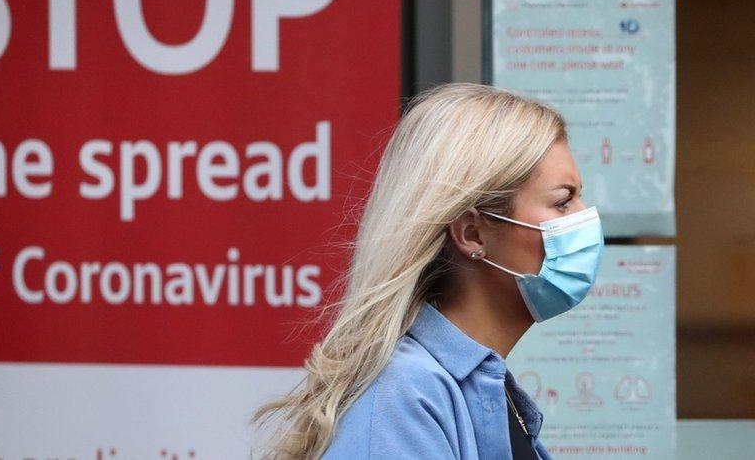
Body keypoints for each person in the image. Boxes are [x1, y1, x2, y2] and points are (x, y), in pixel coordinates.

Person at [251, 83, 605, 459]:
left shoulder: (480, 392)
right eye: (564, 201)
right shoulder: (403, 400)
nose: (587, 218)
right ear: (472, 232)